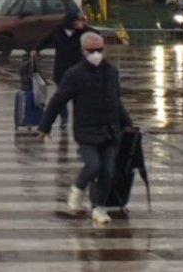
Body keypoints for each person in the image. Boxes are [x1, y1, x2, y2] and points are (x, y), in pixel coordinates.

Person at [38, 31, 133, 225]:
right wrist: (45, 126)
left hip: (110, 130)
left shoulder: (112, 72)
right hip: (86, 131)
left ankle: (99, 207)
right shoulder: (74, 74)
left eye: (99, 50)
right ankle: (77, 189)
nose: (96, 54)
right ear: (83, 51)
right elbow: (58, 101)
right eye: (92, 50)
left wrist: (127, 123)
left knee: (108, 171)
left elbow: (116, 101)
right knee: (93, 165)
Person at [31, 13, 95, 129]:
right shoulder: (58, 30)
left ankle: (80, 120)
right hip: (61, 68)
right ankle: (64, 118)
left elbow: (96, 36)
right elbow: (45, 39)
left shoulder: (84, 32)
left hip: (78, 67)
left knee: (79, 96)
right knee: (61, 95)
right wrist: (36, 49)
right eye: (77, 21)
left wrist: (84, 27)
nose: (80, 23)